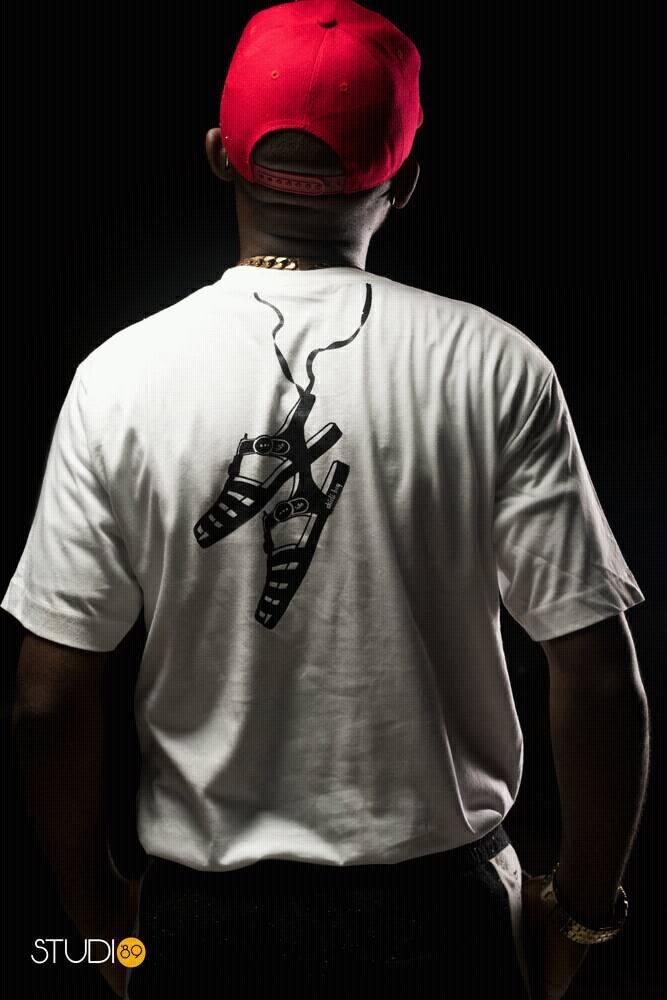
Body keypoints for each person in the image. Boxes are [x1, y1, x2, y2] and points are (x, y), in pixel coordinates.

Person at [3, 1, 650, 998]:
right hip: (445, 923)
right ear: (404, 177)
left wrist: (100, 923)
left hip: (201, 929)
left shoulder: (118, 378)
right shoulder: (494, 365)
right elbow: (600, 681)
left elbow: (48, 699)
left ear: (221, 154)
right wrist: (580, 914)